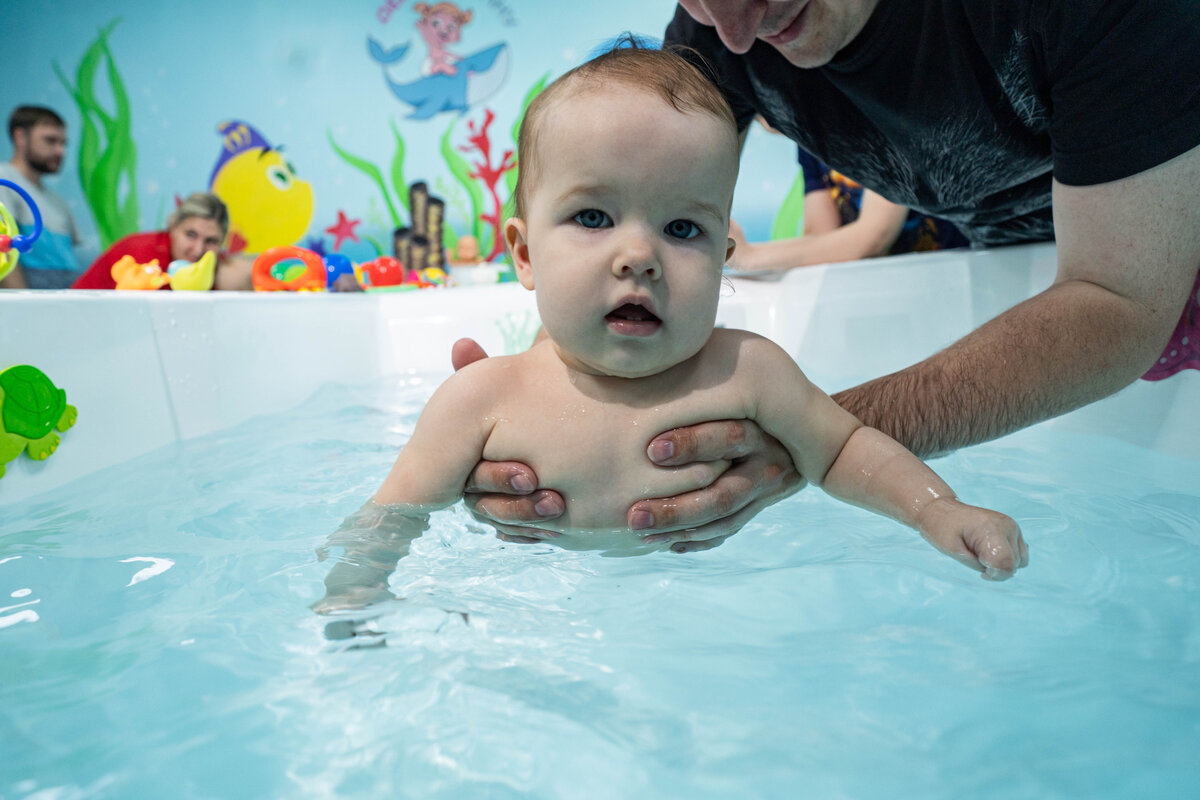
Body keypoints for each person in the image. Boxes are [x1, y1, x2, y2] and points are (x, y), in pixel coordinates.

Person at [452, 0, 1200, 553]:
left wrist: (801, 438)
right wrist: (539, 420)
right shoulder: (720, 23)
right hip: (991, 242)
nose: (736, 35)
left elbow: (1120, 299)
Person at [315, 46, 1026, 613]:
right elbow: (392, 516)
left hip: (723, 612)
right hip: (540, 615)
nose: (639, 257)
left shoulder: (748, 372)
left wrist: (938, 511)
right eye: (593, 217)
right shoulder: (482, 400)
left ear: (724, 258)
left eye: (682, 227)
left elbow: (843, 451)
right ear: (525, 254)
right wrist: (355, 590)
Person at [728, 145, 969, 272]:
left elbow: (874, 237)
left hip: (948, 268)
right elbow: (820, 237)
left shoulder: (882, 118)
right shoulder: (807, 138)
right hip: (882, 280)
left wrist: (750, 256)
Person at [71, 192, 252, 290]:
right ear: (172, 227)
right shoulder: (143, 256)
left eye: (211, 241)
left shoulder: (213, 265)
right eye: (190, 235)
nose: (198, 250)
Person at [0, 106, 82, 289]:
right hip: (33, 304)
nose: (60, 151)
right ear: (20, 137)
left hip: (63, 300)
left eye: (63, 143)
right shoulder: (3, 180)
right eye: (50, 141)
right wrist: (23, 308)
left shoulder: (57, 201)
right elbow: (4, 254)